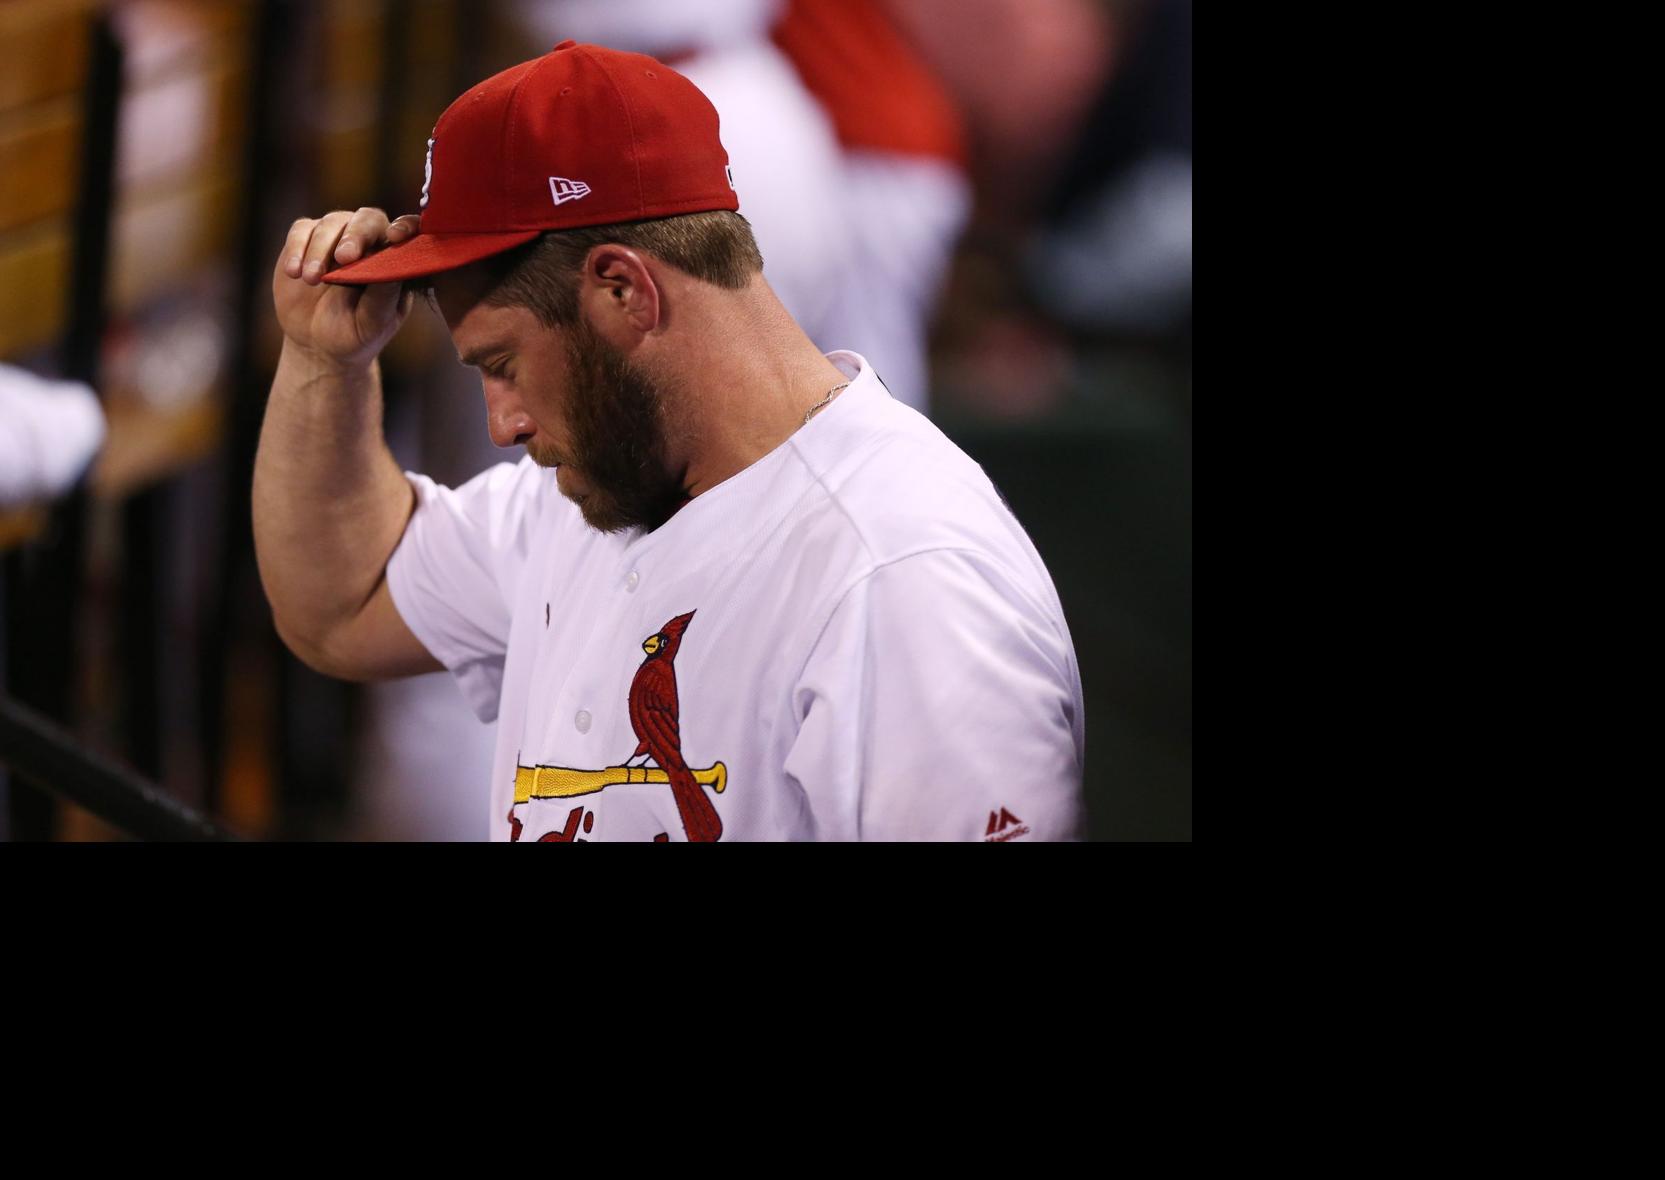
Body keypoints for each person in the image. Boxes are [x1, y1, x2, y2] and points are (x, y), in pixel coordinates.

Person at [255, 41, 1083, 841]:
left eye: (504, 364)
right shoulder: (589, 495)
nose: (501, 424)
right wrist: (327, 363)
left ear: (624, 291)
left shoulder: (900, 580)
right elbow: (342, 606)